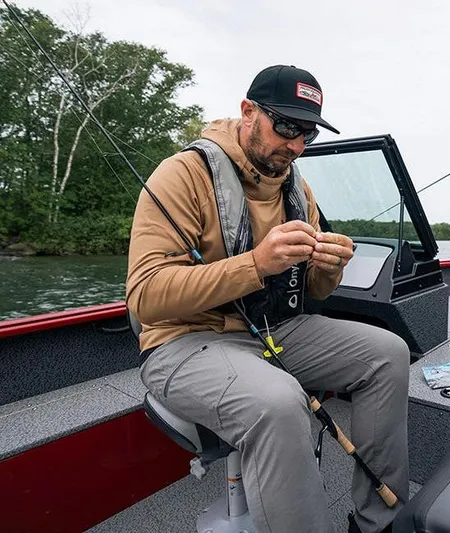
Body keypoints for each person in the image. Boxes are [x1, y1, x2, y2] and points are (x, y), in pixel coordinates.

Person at [126, 65, 409, 533]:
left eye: (308, 134)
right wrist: (256, 264)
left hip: (277, 330)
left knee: (388, 354)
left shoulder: (297, 187)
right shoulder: (181, 174)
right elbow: (145, 297)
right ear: (247, 112)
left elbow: (313, 294)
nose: (296, 146)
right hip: (184, 342)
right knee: (277, 402)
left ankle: (377, 523)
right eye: (286, 127)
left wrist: (328, 269)